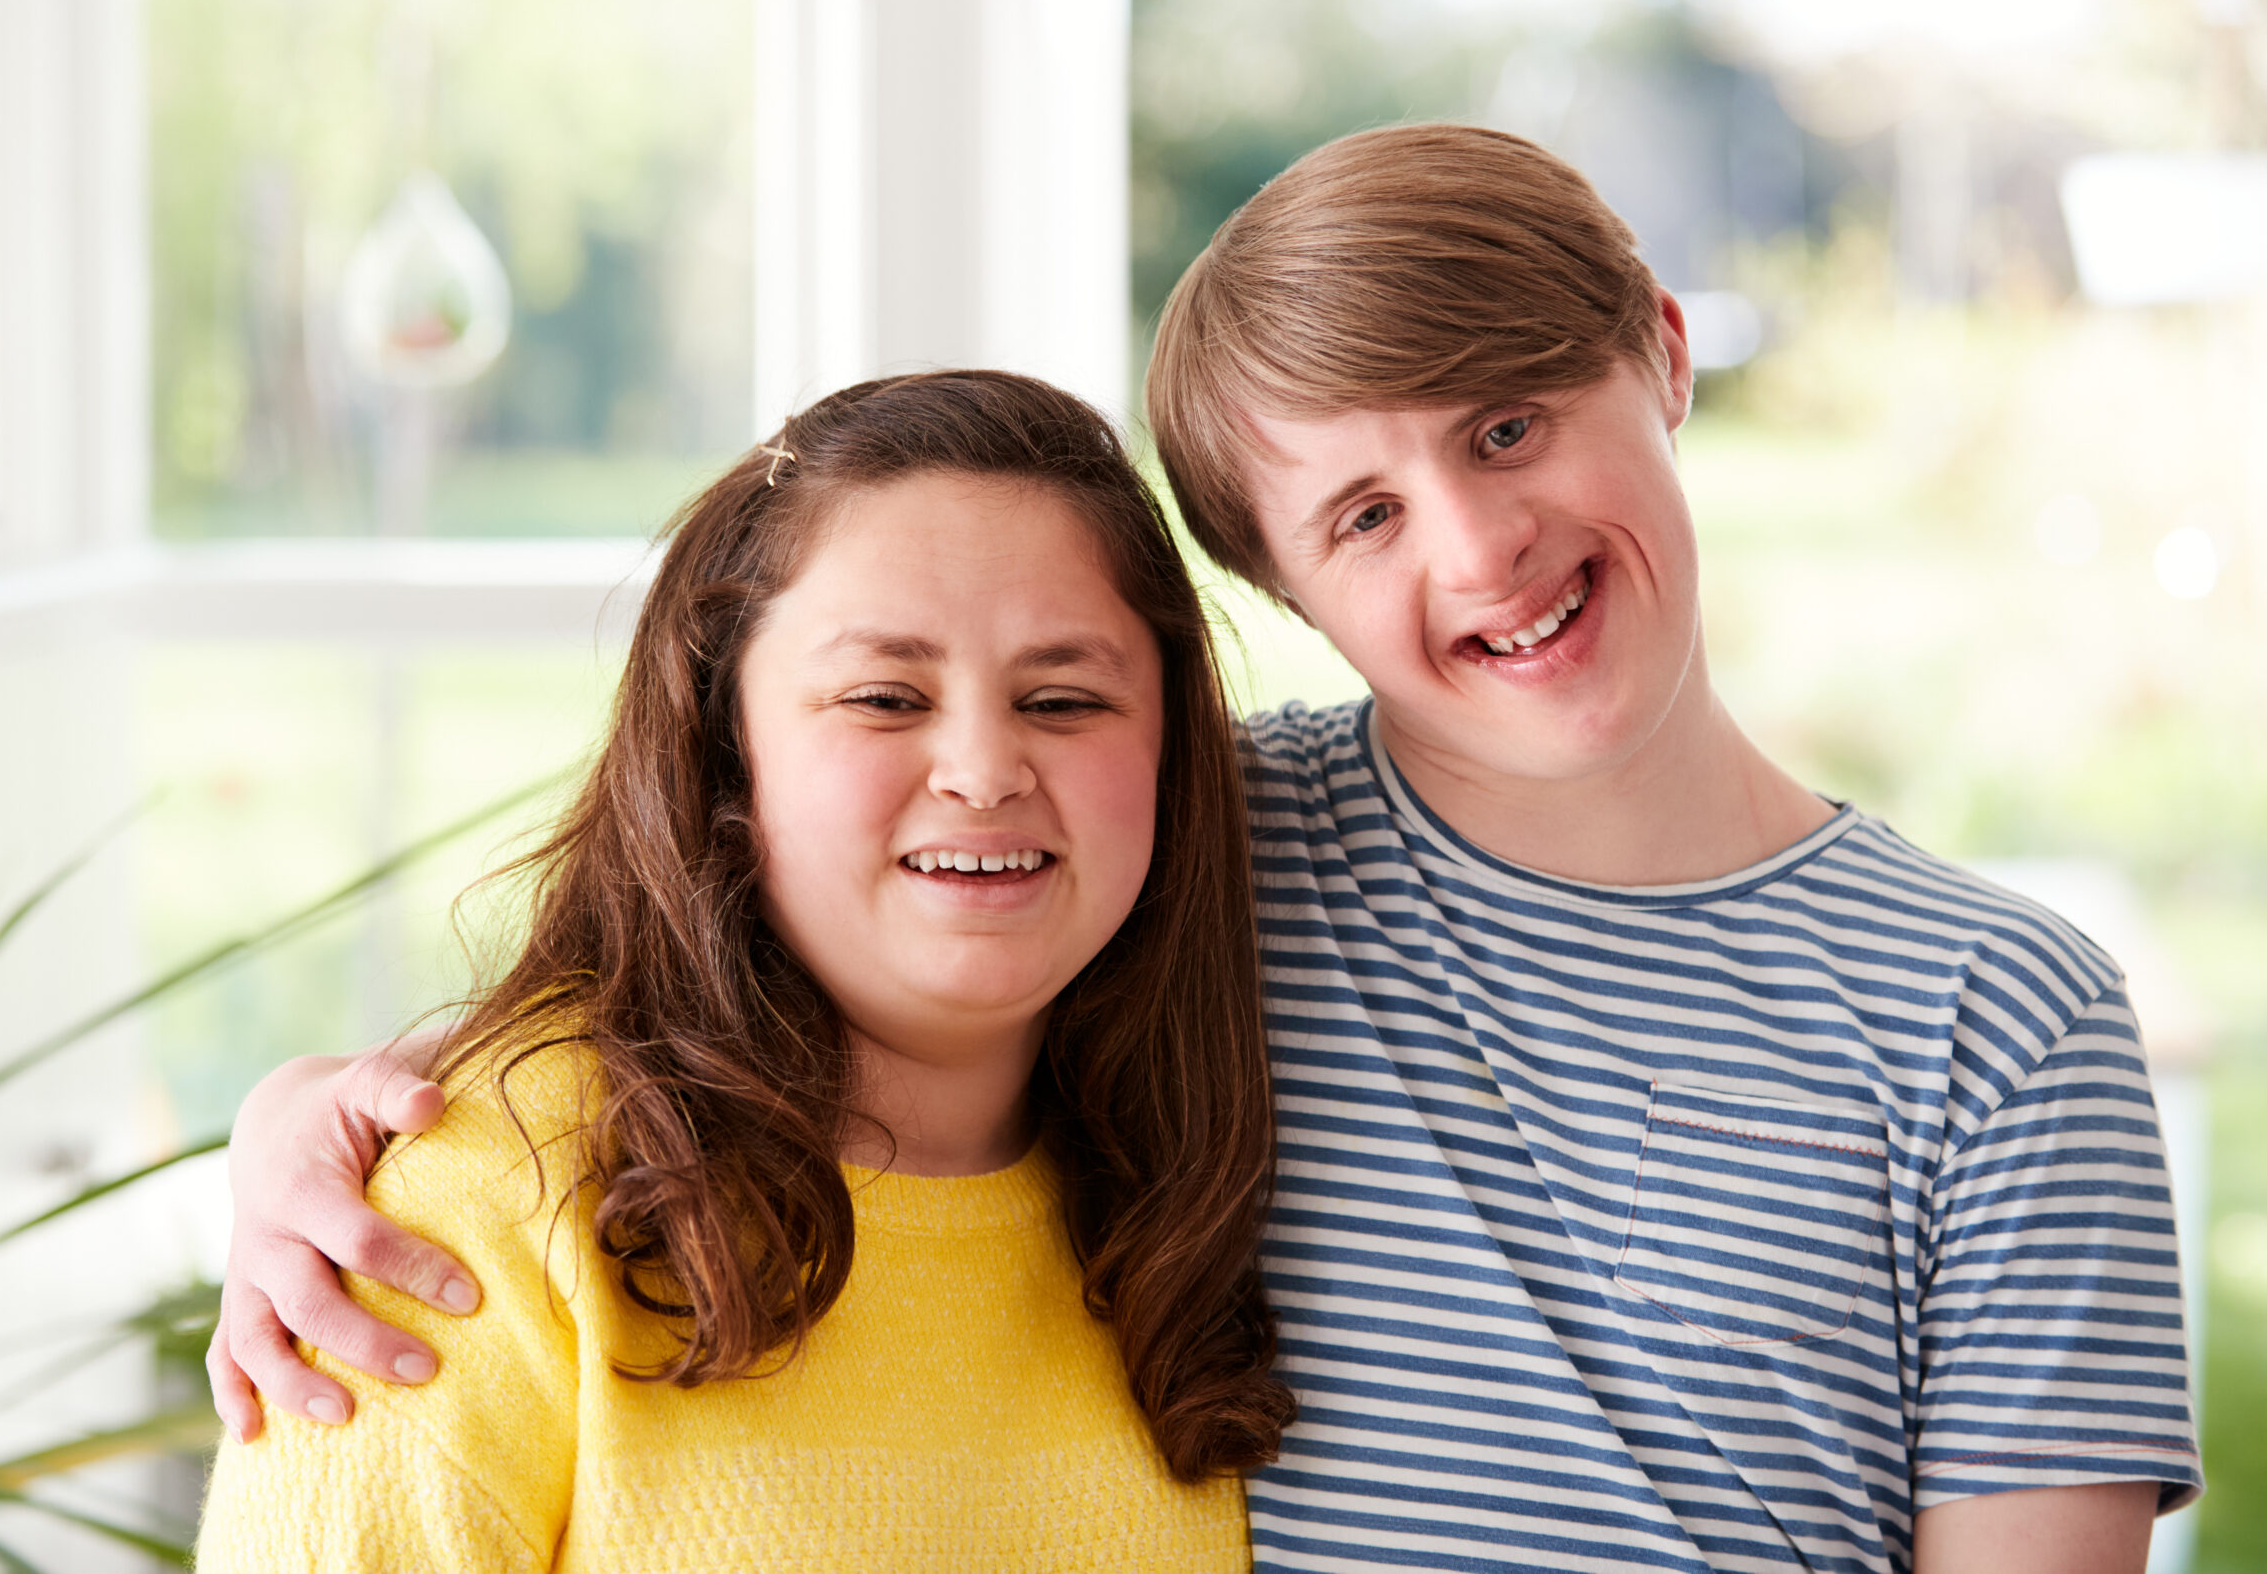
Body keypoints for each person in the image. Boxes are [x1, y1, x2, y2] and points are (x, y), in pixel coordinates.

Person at [210, 127, 2201, 1573]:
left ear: (1662, 359)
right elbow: (823, 918)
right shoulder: (1196, 853)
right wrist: (325, 1122)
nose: (1472, 544)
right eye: (1356, 513)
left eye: (1507, 426)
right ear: (1275, 585)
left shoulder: (1994, 1019)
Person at [191, 370, 1293, 1570]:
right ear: (724, 753)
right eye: (882, 697)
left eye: (1065, 699)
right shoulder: (478, 1205)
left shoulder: (1196, 1192)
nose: (984, 769)